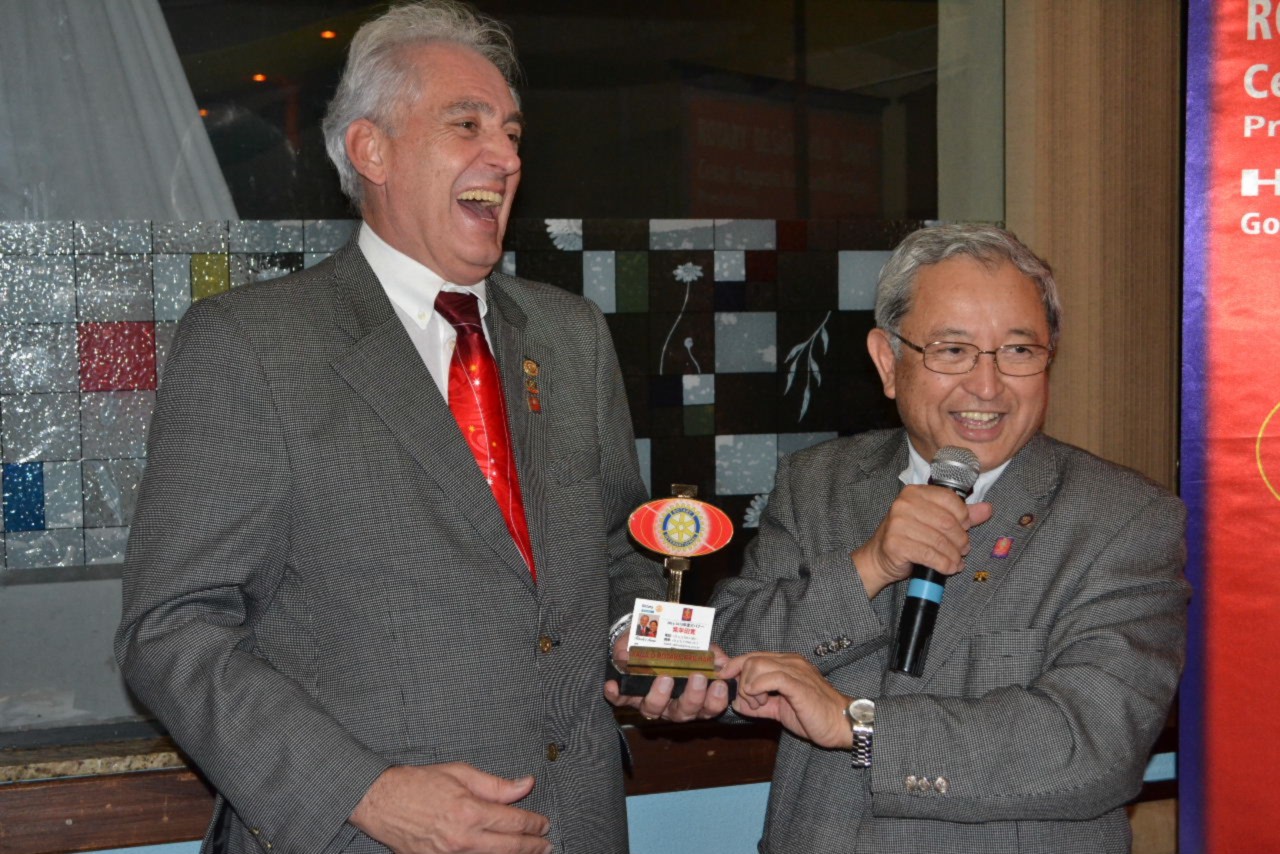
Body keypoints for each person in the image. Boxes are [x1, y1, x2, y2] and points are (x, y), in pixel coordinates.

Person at [115, 3, 723, 853]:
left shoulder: (570, 336)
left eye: (512, 132)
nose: (506, 156)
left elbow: (619, 552)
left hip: (578, 825)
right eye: (466, 125)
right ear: (371, 150)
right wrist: (364, 794)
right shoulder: (253, 344)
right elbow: (171, 630)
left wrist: (648, 646)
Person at [712, 224, 1189, 853]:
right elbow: (724, 666)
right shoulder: (819, 484)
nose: (987, 386)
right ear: (888, 362)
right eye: (953, 350)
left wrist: (859, 726)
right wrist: (868, 566)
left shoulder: (1125, 518)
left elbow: (1094, 744)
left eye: (1019, 350)